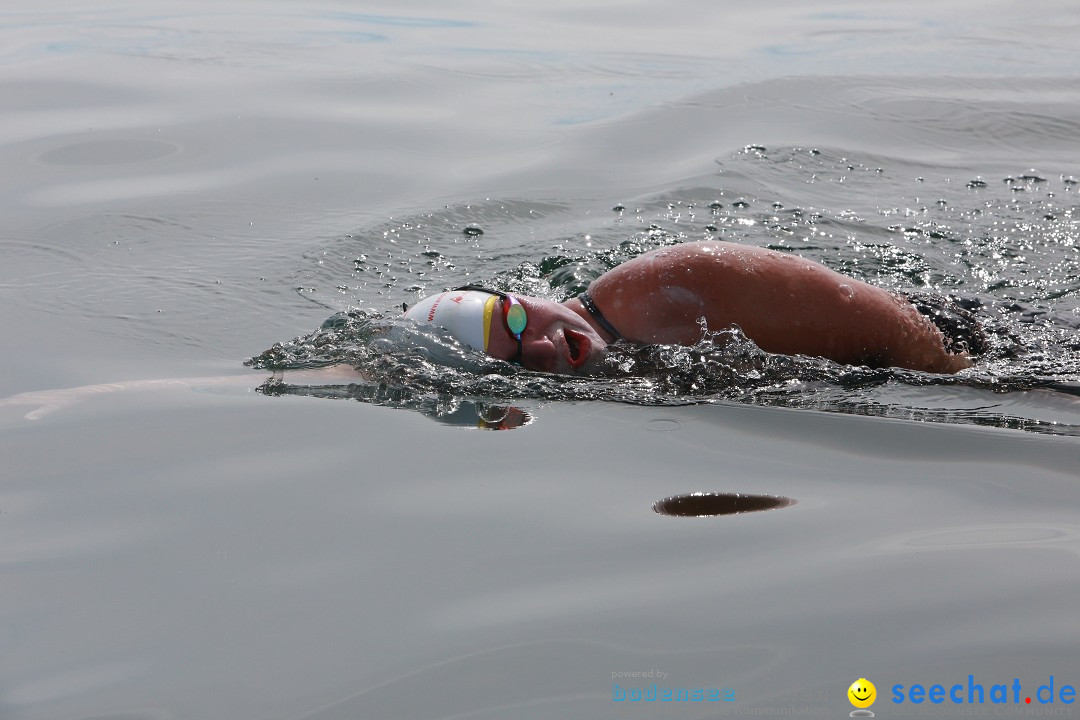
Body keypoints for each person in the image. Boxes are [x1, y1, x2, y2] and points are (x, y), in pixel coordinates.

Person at [403, 241, 982, 375]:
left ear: (522, 295)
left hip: (962, 341)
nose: (539, 345)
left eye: (518, 320)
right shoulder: (624, 353)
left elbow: (900, 328)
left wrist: (972, 379)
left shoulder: (664, 290)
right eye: (518, 363)